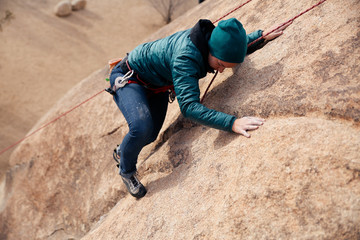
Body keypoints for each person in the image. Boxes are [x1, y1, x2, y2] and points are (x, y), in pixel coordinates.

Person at [108, 18, 291, 198]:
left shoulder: (209, 40)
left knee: (150, 135)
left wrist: (261, 37)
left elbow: (229, 46)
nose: (220, 71)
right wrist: (232, 123)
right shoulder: (186, 56)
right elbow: (189, 107)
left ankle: (124, 150)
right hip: (129, 77)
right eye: (220, 65)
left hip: (157, 85)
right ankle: (127, 170)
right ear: (210, 50)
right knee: (141, 127)